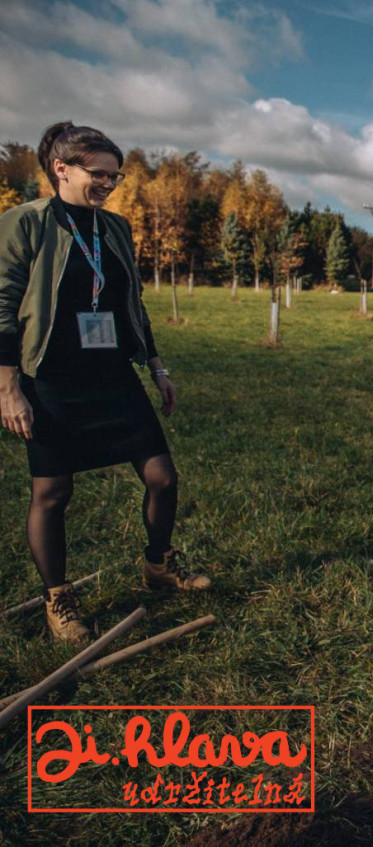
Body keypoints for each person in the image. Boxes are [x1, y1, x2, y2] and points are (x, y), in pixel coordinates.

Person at [0, 122, 208, 644]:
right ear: (61, 169)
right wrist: (8, 388)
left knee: (162, 475)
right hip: (50, 377)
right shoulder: (24, 223)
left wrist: (156, 365)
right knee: (53, 492)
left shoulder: (114, 228)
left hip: (112, 376)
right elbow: (2, 308)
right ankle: (59, 600)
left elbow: (130, 302)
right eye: (99, 174)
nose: (108, 185)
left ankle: (159, 565)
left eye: (115, 177)